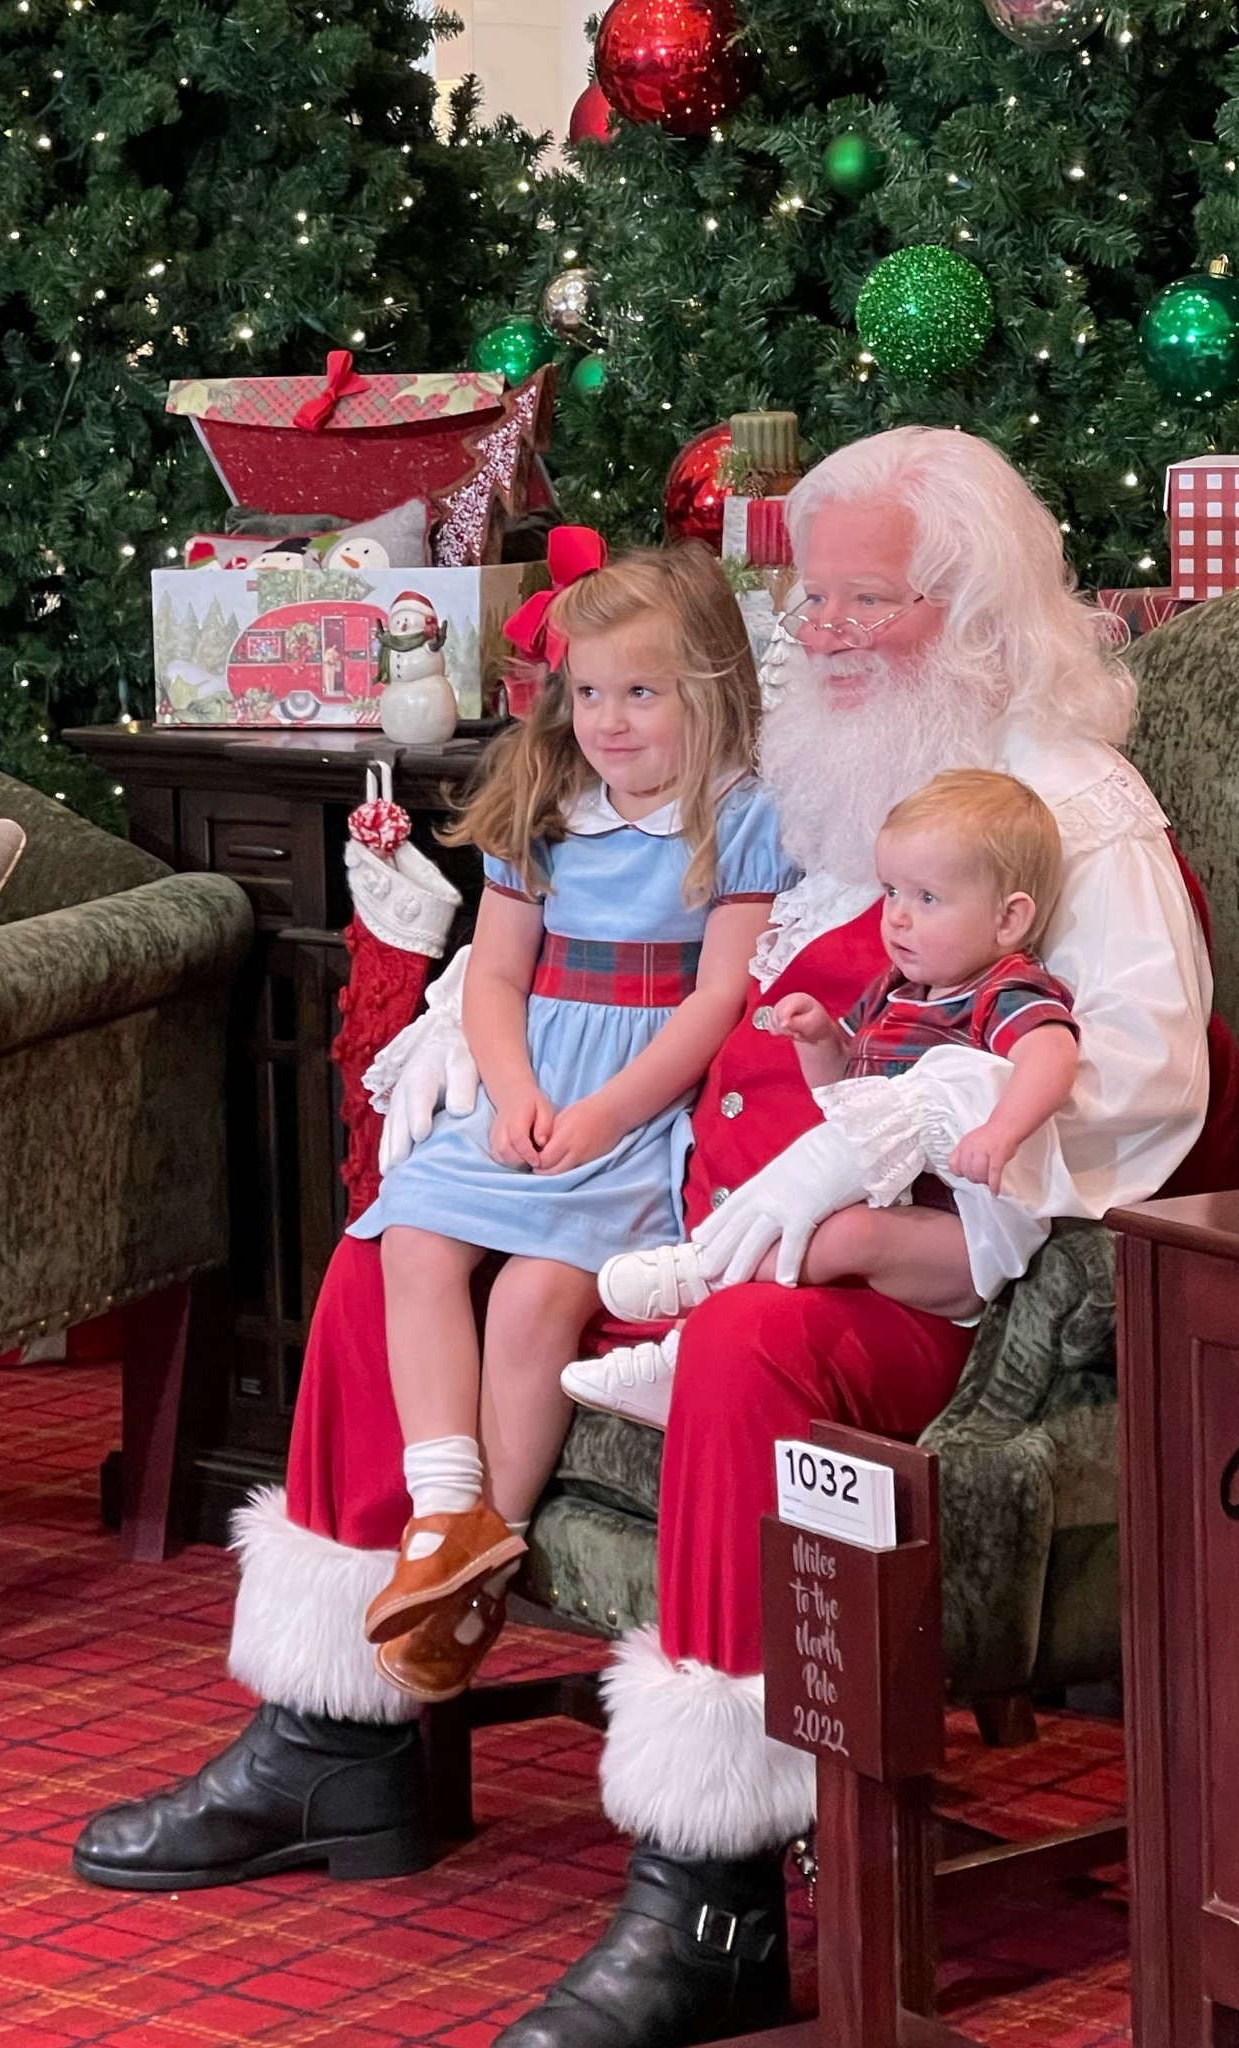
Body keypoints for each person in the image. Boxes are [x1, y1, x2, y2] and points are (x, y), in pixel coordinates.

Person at [73, 427, 1229, 2048]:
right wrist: (485, 1060)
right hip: (680, 1202)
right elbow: (681, 973)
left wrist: (917, 1141)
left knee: (748, 1342)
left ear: (975, 609)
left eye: (866, 599)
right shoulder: (823, 782)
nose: (819, 631)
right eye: (807, 596)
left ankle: (710, 1888)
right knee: (391, 1247)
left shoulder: (1069, 815)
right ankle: (342, 1736)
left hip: (904, 1267)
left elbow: (1153, 1087)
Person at [350, 537, 795, 1704]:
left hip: (639, 1099)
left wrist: (600, 1114)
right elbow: (495, 977)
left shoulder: (741, 819)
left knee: (547, 1290)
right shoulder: (545, 802)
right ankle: (446, 1508)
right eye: (589, 691)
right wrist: (515, 1094)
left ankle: (482, 1553)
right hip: (534, 1084)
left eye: (640, 692)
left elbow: (718, 999)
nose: (609, 720)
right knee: (416, 1240)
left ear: (710, 689)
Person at [587, 769, 1082, 1364]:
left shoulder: (1003, 990)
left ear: (1008, 920)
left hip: (969, 1239)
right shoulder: (895, 991)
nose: (896, 917)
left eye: (926, 898)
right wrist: (821, 1039)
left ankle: (706, 1275)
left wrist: (1001, 1131)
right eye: (891, 891)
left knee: (849, 1233)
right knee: (823, 1211)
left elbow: (1052, 1056)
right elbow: (847, 1106)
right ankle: (691, 1336)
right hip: (900, 1214)